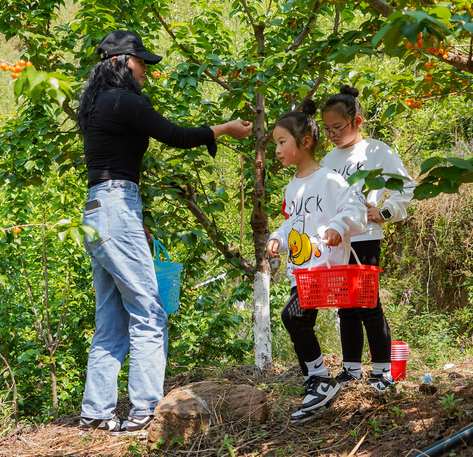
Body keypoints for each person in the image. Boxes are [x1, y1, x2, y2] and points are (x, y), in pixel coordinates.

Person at [76, 30, 252, 435]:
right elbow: (175, 135)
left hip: (98, 211)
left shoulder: (99, 103)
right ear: (121, 63)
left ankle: (96, 411)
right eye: (141, 64)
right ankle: (145, 411)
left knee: (111, 320)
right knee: (149, 312)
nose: (145, 72)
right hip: (116, 208)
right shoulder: (123, 100)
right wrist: (224, 129)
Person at [266, 99, 367, 423]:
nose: (277, 150)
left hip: (325, 267)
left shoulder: (330, 179)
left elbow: (355, 211)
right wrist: (278, 239)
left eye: (282, 142)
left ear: (304, 142)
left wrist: (338, 227)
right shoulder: (292, 186)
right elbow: (291, 223)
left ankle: (320, 380)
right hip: (302, 269)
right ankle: (317, 381)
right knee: (297, 320)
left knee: (293, 317)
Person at [319, 85, 415, 393]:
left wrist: (385, 212)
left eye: (339, 127)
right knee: (344, 306)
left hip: (365, 237)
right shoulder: (328, 159)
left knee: (368, 304)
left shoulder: (376, 151)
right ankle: (351, 370)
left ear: (357, 122)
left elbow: (405, 186)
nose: (333, 134)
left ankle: (382, 372)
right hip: (335, 242)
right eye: (328, 129)